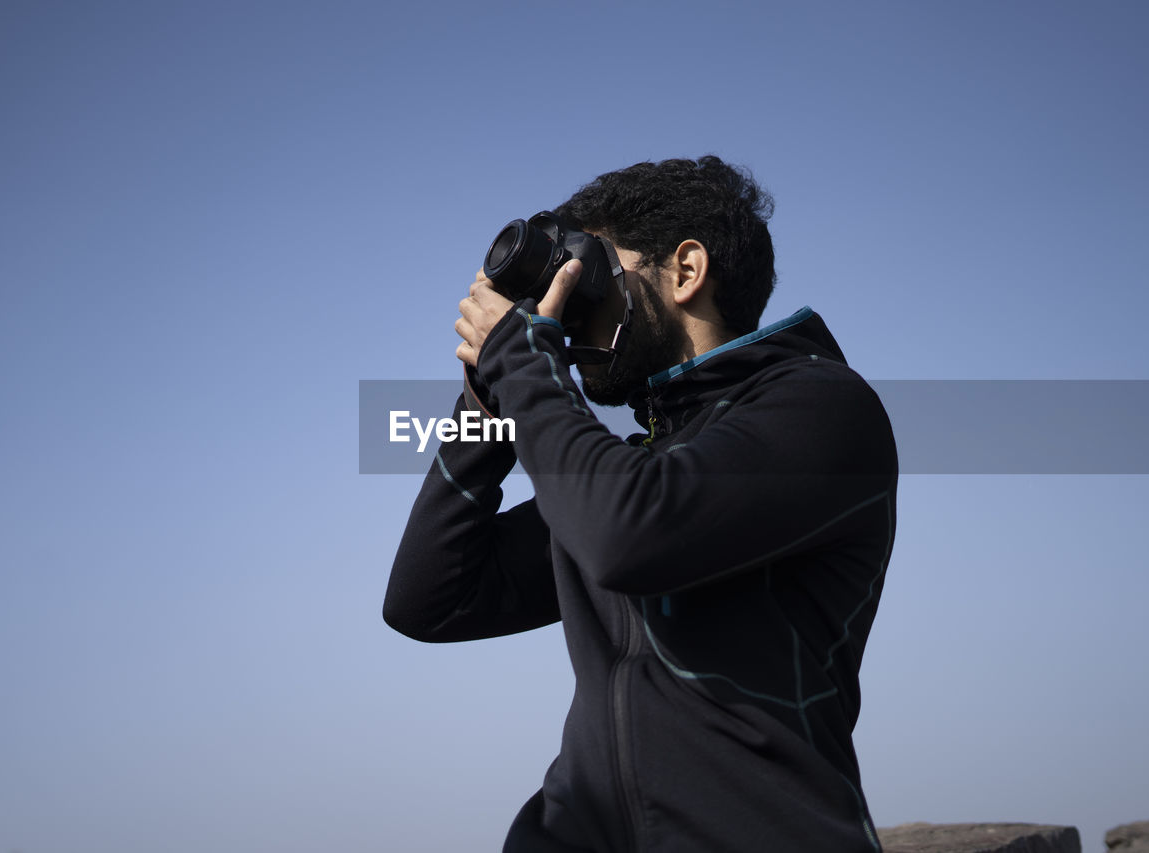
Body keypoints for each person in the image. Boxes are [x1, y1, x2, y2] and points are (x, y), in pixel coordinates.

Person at [384, 156, 898, 852]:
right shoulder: (633, 470)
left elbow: (629, 534)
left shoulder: (821, 410)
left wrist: (524, 364)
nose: (571, 306)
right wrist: (486, 401)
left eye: (592, 272)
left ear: (686, 271)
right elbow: (430, 599)